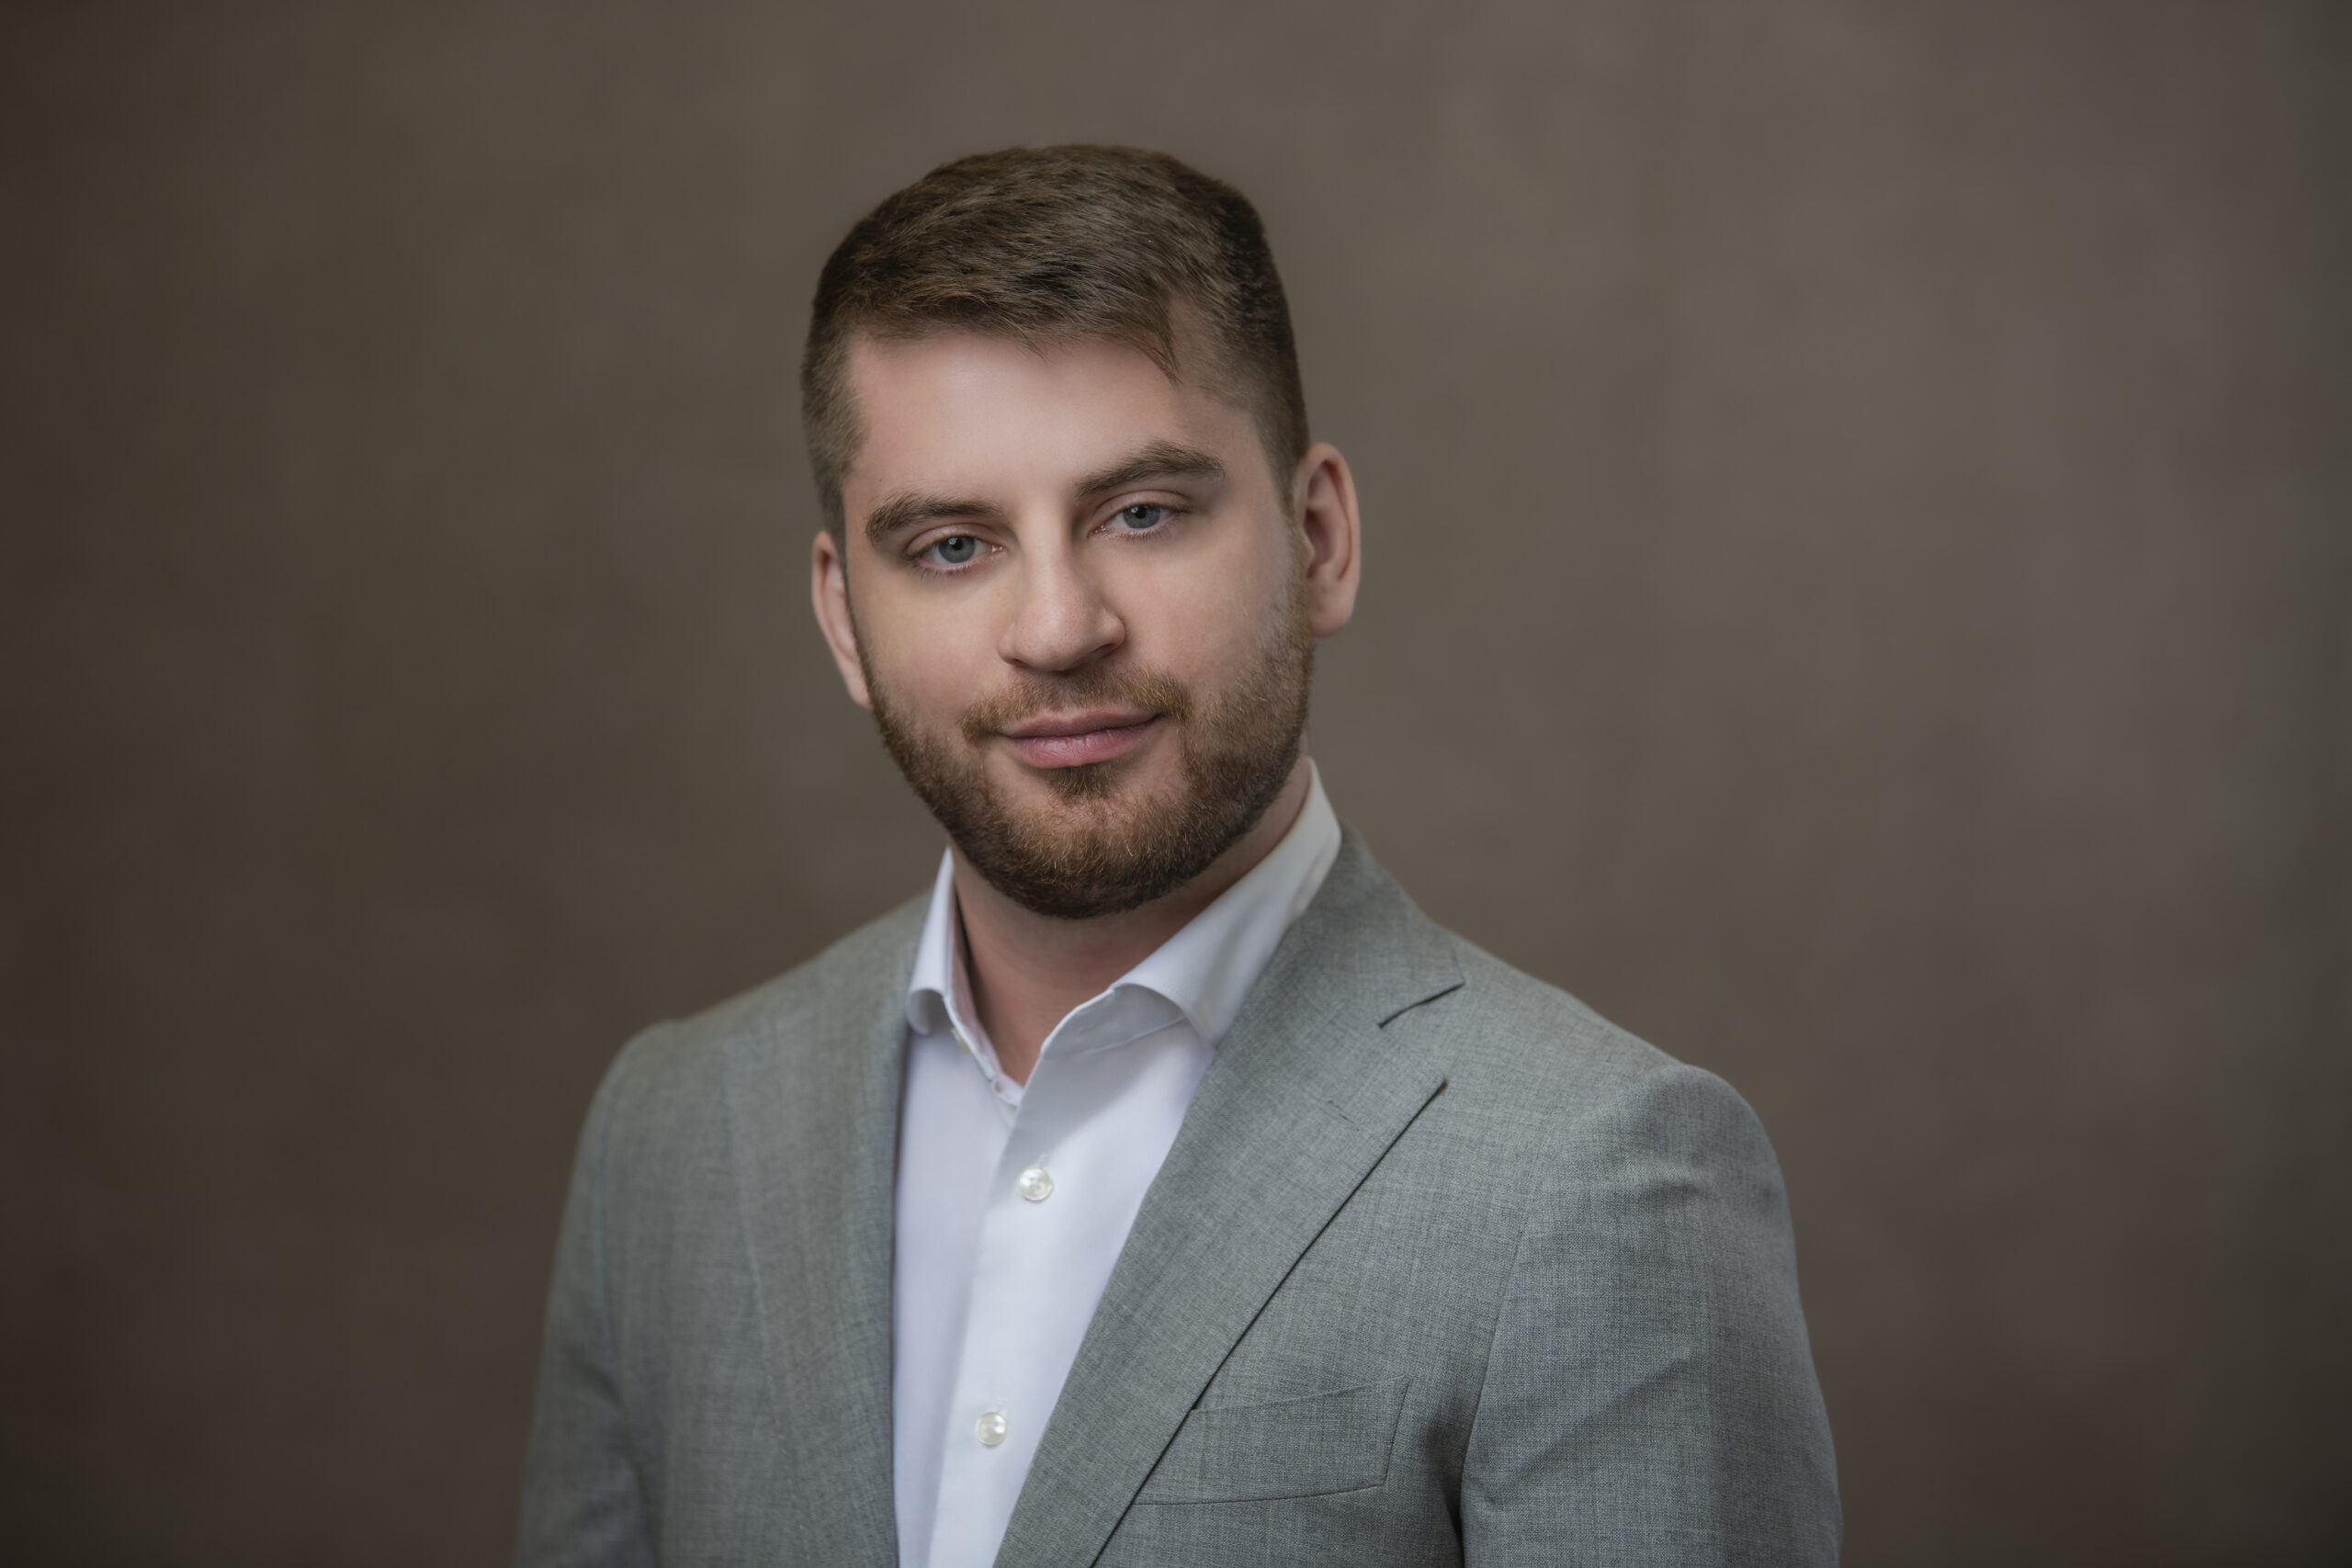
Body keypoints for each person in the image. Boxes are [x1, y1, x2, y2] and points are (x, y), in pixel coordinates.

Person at [514, 144, 1839, 1568]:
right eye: (953, 546)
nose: (1060, 625)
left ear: (1319, 539)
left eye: (1141, 514)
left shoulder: (1601, 1183)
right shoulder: (672, 1139)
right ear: (843, 617)